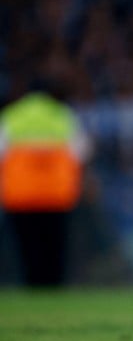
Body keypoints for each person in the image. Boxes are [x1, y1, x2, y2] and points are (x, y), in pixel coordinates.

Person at [0, 81, 92, 286]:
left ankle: (33, 285)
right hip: (56, 194)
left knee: (28, 247)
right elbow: (82, 151)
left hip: (20, 195)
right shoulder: (62, 115)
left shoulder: (12, 116)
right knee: (54, 247)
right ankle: (53, 287)